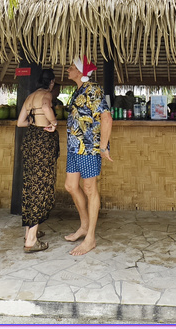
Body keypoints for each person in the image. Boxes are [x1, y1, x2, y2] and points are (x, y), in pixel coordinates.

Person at [63, 55, 112, 255]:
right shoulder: (79, 91)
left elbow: (106, 118)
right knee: (70, 186)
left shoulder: (93, 89)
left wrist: (103, 146)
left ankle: (90, 237)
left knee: (90, 188)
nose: (68, 69)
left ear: (82, 72)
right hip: (74, 147)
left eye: (72, 67)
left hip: (89, 148)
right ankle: (84, 226)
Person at [16, 69, 60, 253]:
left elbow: (20, 122)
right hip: (43, 141)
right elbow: (45, 107)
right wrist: (53, 123)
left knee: (31, 184)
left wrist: (34, 123)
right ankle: (31, 241)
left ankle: (29, 232)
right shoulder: (46, 95)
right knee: (41, 186)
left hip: (31, 139)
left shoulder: (30, 96)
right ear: (51, 82)